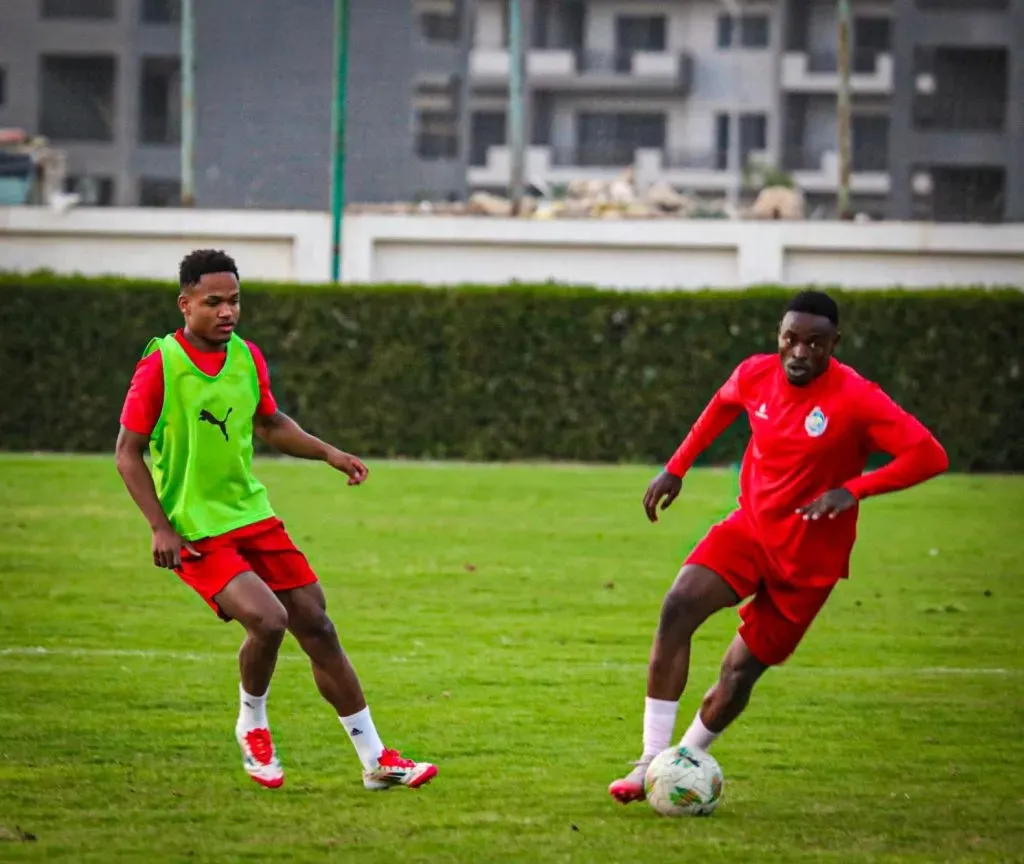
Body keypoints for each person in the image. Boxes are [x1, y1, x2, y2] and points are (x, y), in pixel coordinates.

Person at [115, 249, 437, 792]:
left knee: (318, 626)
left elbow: (269, 423)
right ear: (185, 304)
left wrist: (330, 453)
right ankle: (253, 724)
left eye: (235, 301)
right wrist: (159, 525)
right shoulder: (161, 364)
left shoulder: (246, 358)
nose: (227, 312)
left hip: (252, 515)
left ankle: (377, 759)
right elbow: (128, 451)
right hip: (196, 528)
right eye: (213, 302)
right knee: (267, 620)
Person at [608, 290, 949, 804]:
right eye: (791, 338)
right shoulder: (755, 374)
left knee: (738, 674)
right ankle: (648, 762)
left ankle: (683, 760)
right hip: (750, 531)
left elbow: (929, 455)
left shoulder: (857, 398)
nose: (799, 352)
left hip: (810, 564)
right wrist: (676, 467)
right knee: (678, 606)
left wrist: (853, 490)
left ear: (835, 343)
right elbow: (719, 408)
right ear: (779, 335)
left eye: (815, 343)